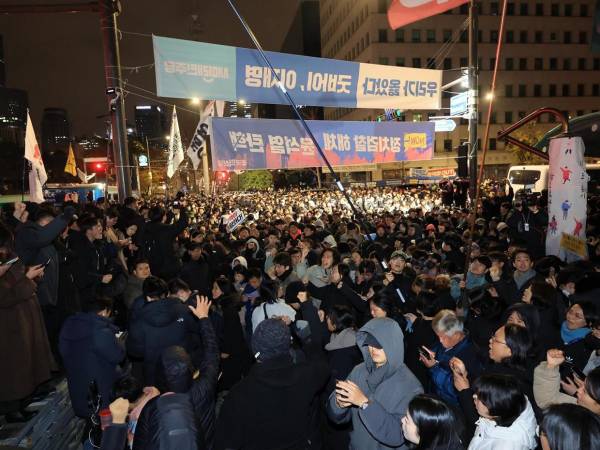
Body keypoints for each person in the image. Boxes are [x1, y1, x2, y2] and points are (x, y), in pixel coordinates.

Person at [215, 317, 329, 450]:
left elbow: (226, 444)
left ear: (254, 348)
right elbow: (323, 366)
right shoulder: (306, 376)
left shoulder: (239, 394)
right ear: (288, 345)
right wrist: (306, 338)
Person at [133, 296, 219, 450]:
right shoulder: (205, 387)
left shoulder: (152, 406)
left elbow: (142, 443)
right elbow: (212, 352)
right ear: (190, 368)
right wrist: (204, 318)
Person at [328, 317, 423, 450]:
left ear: (392, 344)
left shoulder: (411, 386)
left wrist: (365, 404)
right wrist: (339, 404)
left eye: (379, 345)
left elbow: (399, 435)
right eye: (370, 343)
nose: (373, 349)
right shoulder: (359, 371)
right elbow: (338, 417)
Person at [0, 223, 52, 422]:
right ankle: (11, 409)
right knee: (13, 368)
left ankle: (21, 404)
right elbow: (5, 295)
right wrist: (28, 278)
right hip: (9, 324)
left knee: (24, 364)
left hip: (22, 319)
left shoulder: (10, 258)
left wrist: (30, 275)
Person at [59, 295, 125, 418]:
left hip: (79, 388)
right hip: (100, 390)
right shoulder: (100, 332)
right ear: (104, 312)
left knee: (93, 423)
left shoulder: (68, 327)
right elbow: (118, 356)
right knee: (106, 428)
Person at [127, 276, 199, 385]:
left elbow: (135, 351)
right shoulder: (184, 310)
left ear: (147, 297)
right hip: (182, 369)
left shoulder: (139, 320)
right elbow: (197, 334)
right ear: (166, 294)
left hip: (154, 375)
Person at [420, 310, 482, 407]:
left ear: (456, 335)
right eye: (438, 336)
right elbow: (439, 349)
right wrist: (432, 355)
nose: (440, 340)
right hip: (436, 396)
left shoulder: (469, 356)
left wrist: (434, 367)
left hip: (449, 407)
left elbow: (455, 391)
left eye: (442, 337)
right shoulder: (450, 338)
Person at [467, 374, 537, 450]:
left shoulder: (507, 446)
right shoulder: (512, 400)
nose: (474, 396)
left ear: (496, 409)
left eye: (481, 398)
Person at [533, 348, 600, 415]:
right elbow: (547, 400)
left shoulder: (581, 422)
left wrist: (575, 394)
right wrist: (551, 367)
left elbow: (547, 402)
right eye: (582, 385)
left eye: (585, 391)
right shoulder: (584, 407)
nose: (578, 390)